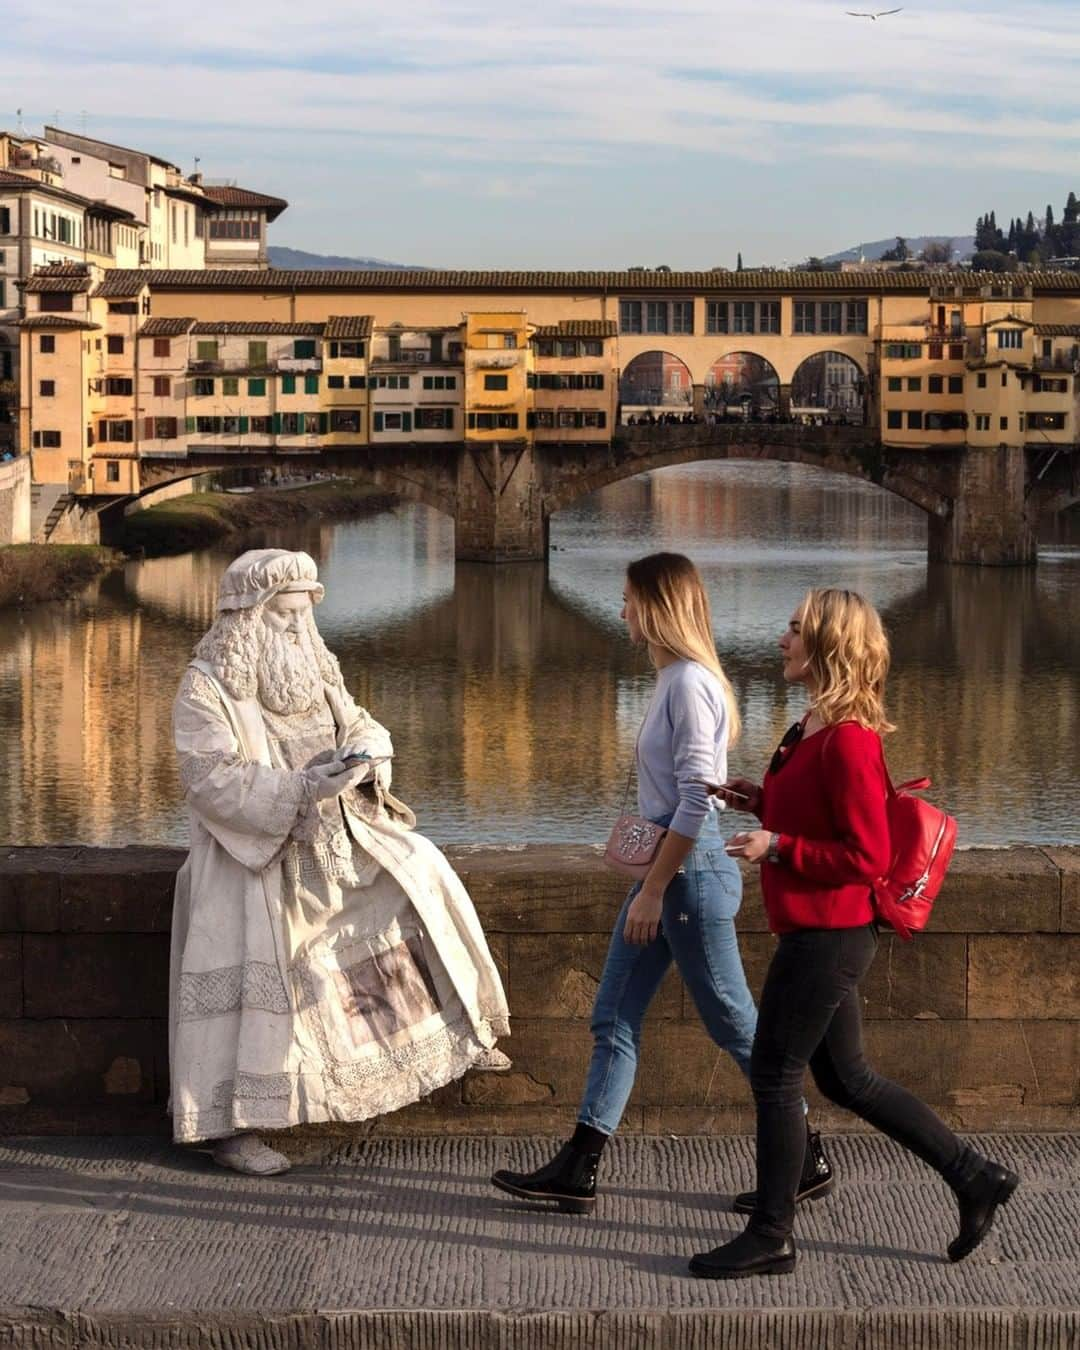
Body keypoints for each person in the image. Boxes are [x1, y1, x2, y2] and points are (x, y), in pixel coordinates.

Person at [689, 588, 1019, 1279]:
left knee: (776, 1074)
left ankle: (772, 1232)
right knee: (847, 1080)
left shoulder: (850, 741)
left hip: (832, 933)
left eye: (794, 630)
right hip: (816, 929)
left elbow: (867, 857)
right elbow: (817, 813)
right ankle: (975, 1177)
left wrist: (778, 846)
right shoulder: (809, 727)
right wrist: (758, 798)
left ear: (828, 647)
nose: (781, 640)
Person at [490, 553, 831, 1214]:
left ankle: (808, 1153)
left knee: (735, 1024)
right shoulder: (675, 678)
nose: (619, 612)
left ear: (656, 606)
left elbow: (697, 801)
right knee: (612, 1015)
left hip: (687, 874)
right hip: (672, 870)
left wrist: (653, 889)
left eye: (627, 600)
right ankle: (580, 1167)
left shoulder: (689, 683)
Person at [170, 548, 510, 1175]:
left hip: (334, 839)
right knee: (258, 997)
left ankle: (448, 1034)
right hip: (254, 860)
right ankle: (234, 1127)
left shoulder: (316, 670)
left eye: (304, 616)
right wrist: (301, 789)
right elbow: (208, 780)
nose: (299, 630)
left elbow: (364, 723)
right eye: (285, 618)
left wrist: (364, 756)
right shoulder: (207, 685)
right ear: (249, 617)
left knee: (420, 874)